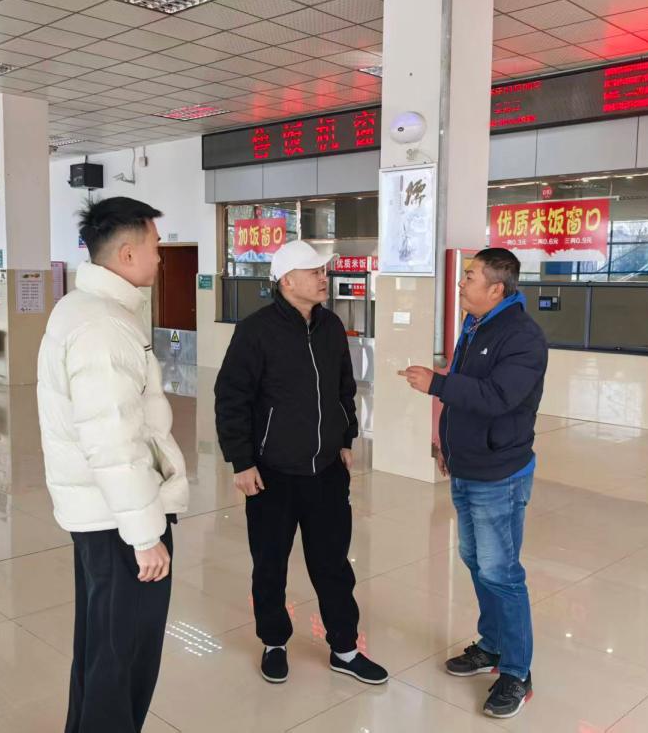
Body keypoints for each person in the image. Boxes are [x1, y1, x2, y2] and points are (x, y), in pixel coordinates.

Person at [37, 197, 189, 733]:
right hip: (120, 521)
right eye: (155, 246)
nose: (161, 258)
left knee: (102, 647)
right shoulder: (103, 326)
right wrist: (145, 535)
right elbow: (113, 439)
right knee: (123, 657)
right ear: (126, 254)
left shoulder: (83, 309)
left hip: (102, 515)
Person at [215, 240, 388, 686]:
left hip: (326, 472)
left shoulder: (331, 326)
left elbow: (344, 387)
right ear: (288, 281)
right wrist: (241, 462)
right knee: (269, 565)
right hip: (271, 474)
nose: (323, 278)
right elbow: (231, 398)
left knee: (333, 565)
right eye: (314, 272)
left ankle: (345, 648)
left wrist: (345, 437)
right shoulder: (255, 331)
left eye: (322, 271)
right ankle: (274, 642)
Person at [399, 247, 547, 719]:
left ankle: (517, 672)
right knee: (476, 561)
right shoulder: (476, 324)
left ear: (496, 288)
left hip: (500, 473)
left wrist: (437, 383)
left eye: (470, 277)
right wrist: (447, 445)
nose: (461, 284)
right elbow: (467, 397)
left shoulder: (522, 337)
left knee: (501, 572)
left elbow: (498, 397)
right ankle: (492, 645)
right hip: (468, 466)